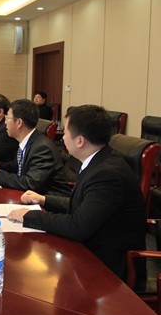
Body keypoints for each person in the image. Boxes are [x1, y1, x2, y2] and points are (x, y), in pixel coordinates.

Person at [8, 105, 146, 280]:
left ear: (80, 141)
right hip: (91, 247)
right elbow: (84, 205)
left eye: (65, 132)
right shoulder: (98, 160)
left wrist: (29, 216)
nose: (62, 137)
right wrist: (44, 200)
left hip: (107, 266)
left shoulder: (107, 174)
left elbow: (78, 226)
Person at [0, 99, 71, 195]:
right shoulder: (26, 141)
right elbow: (15, 167)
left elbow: (31, 183)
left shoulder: (42, 148)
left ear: (19, 122)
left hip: (47, 200)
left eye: (7, 118)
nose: (5, 122)